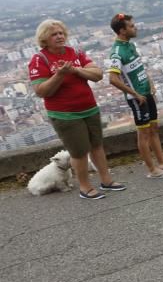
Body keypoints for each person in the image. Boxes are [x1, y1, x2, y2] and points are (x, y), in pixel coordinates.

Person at [28, 19, 123, 199]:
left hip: (89, 108)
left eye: (61, 33)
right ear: (44, 39)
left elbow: (97, 74)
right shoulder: (40, 60)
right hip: (65, 114)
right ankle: (85, 187)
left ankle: (106, 180)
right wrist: (60, 75)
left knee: (97, 146)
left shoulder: (75, 53)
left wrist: (77, 71)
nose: (59, 36)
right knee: (79, 152)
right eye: (54, 34)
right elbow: (41, 91)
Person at [107, 14, 163, 179]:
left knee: (154, 128)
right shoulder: (117, 52)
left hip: (146, 92)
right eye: (131, 26)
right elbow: (112, 78)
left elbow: (139, 67)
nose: (135, 28)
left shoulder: (130, 45)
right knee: (144, 133)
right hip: (137, 97)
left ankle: (162, 161)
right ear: (122, 30)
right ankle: (152, 169)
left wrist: (150, 83)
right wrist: (134, 94)